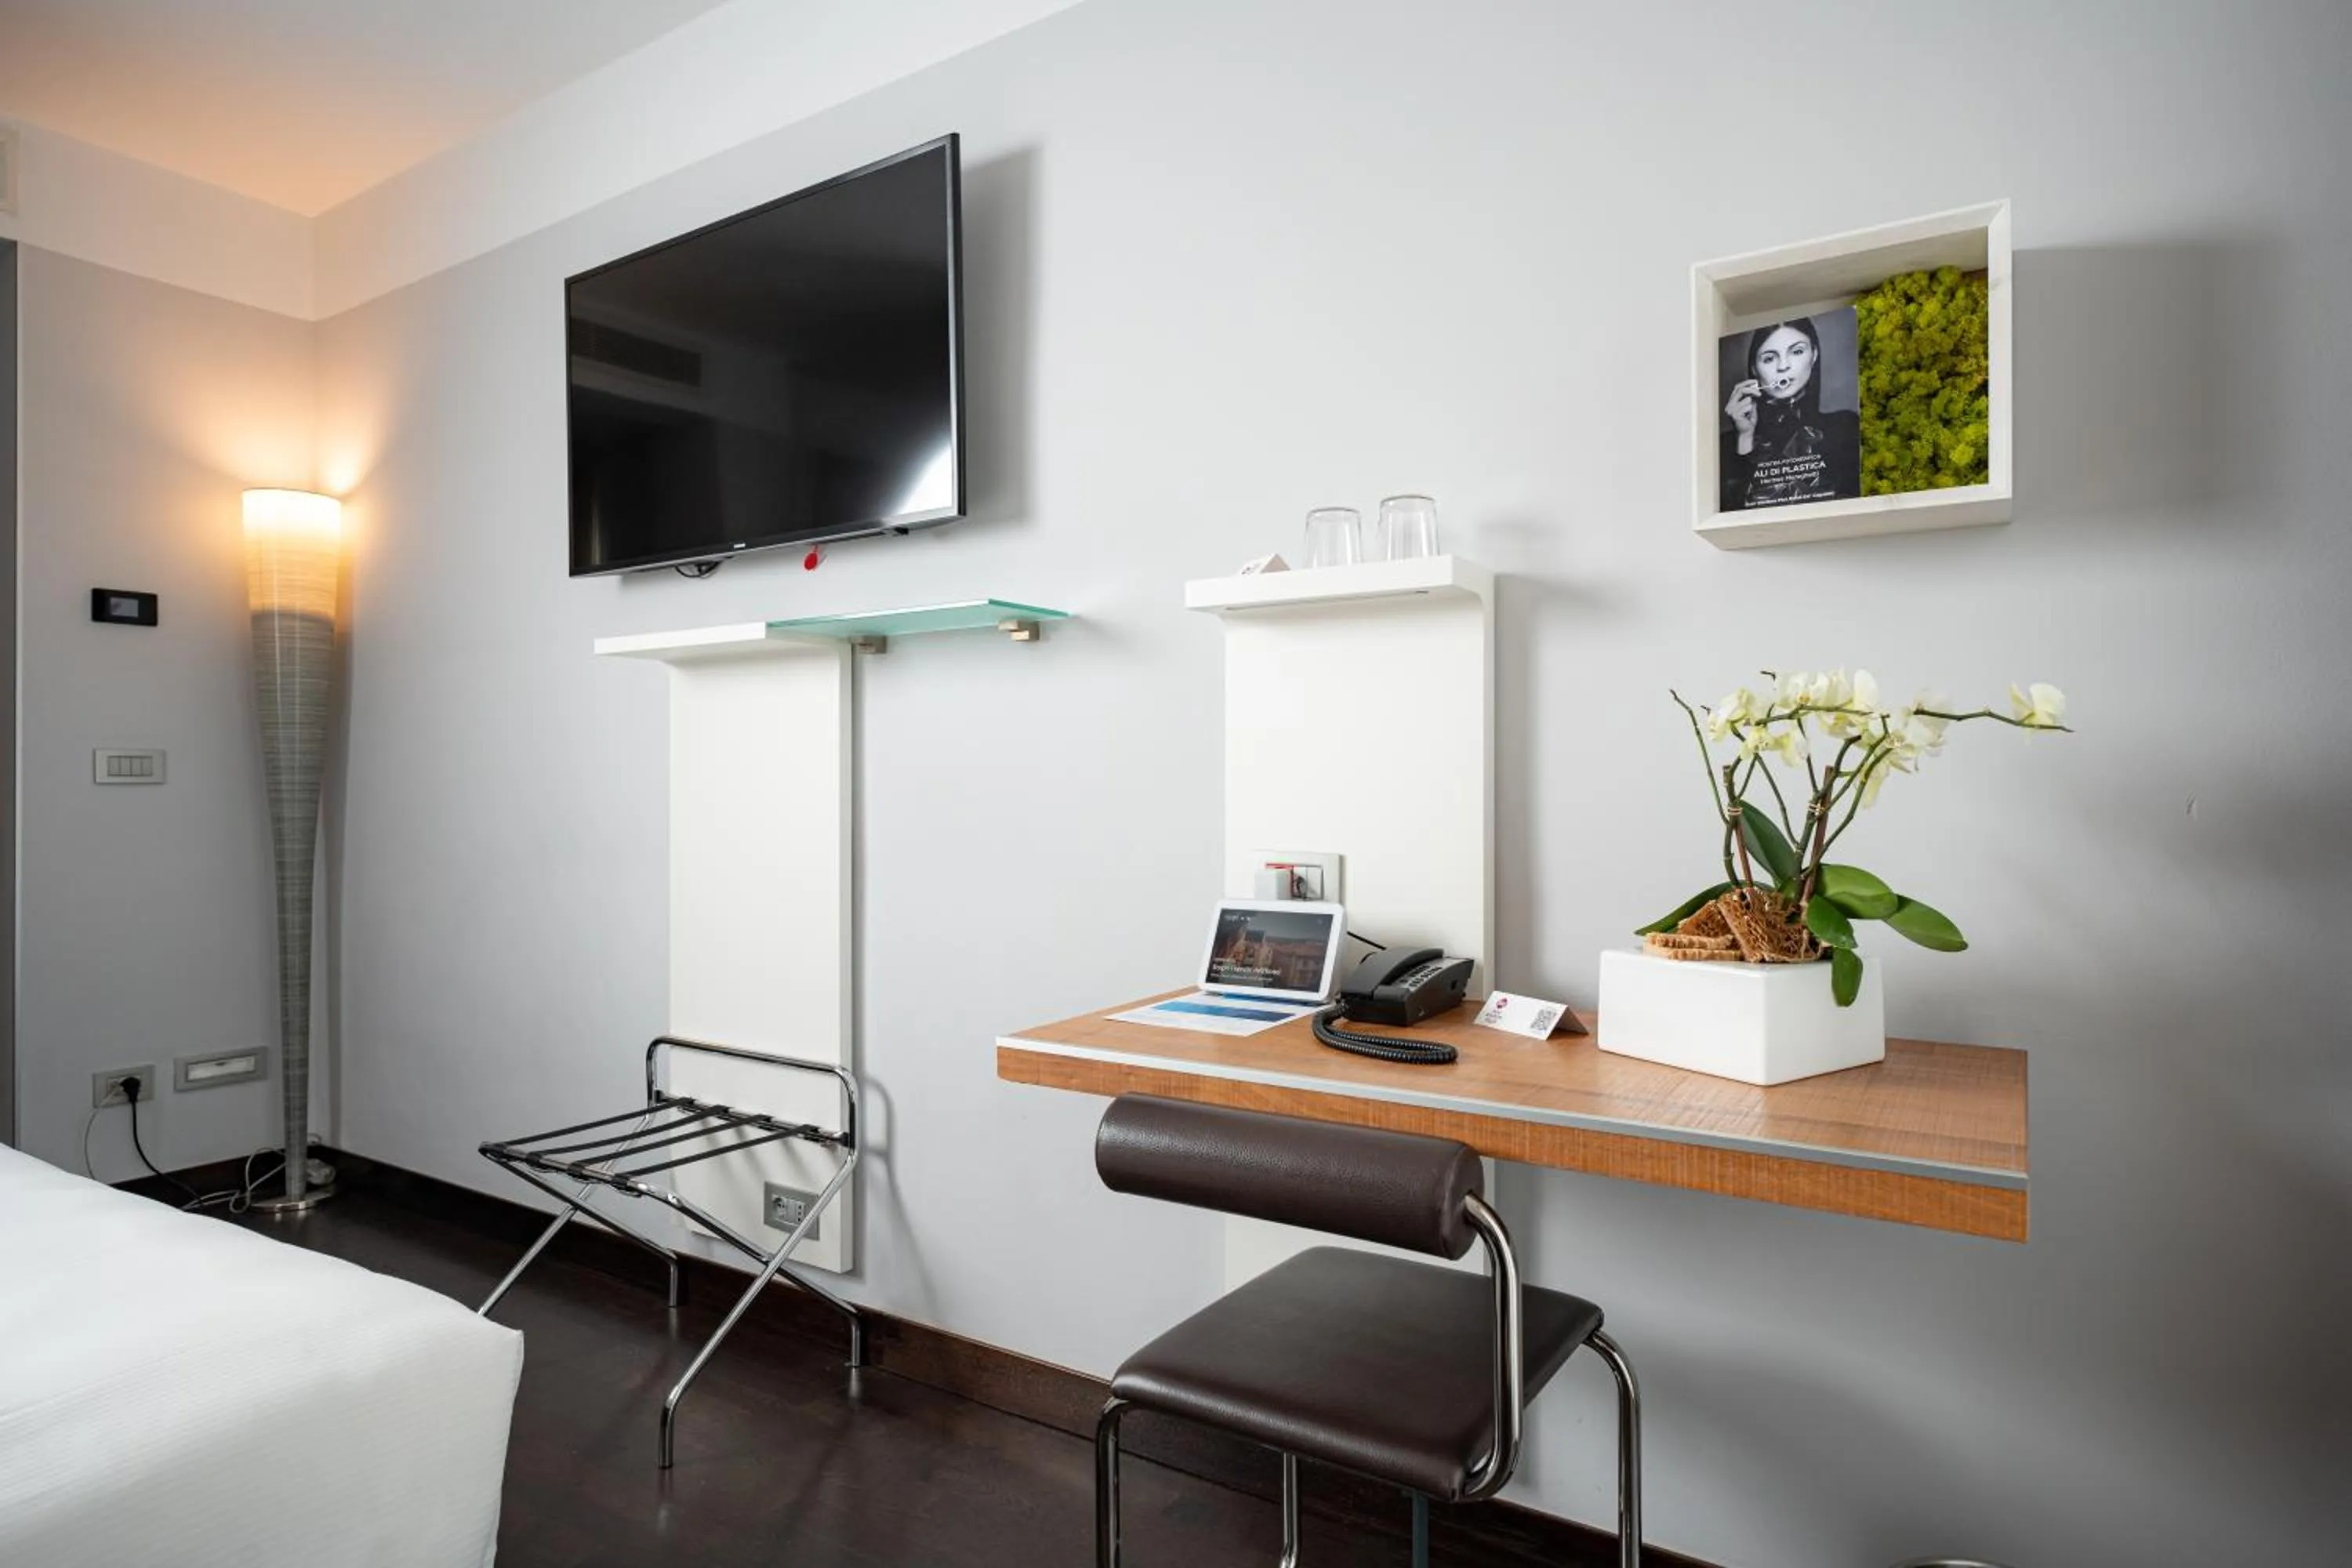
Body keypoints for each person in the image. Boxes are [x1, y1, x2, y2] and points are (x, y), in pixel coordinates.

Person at [1720, 317, 1859, 510]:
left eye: (1797, 352)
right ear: (1754, 368)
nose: (1783, 366)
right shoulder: (1726, 445)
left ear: (1814, 355)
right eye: (1769, 358)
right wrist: (1745, 437)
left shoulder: (1847, 426)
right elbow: (1736, 514)